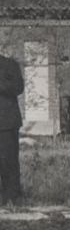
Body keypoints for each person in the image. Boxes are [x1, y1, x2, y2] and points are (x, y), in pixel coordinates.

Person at [0, 48, 22, 206]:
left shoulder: (9, 64)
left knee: (8, 161)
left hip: (5, 122)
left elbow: (18, 87)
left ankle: (11, 198)